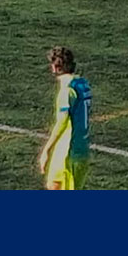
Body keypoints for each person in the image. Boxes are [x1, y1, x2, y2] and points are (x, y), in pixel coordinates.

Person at [36, 46, 91, 191]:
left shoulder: (67, 91)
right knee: (53, 185)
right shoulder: (82, 84)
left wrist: (46, 150)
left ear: (55, 67)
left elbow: (62, 121)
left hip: (68, 152)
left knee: (55, 187)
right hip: (81, 150)